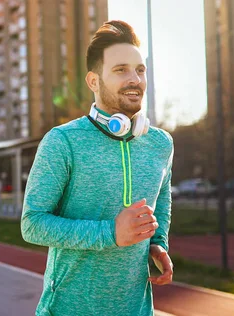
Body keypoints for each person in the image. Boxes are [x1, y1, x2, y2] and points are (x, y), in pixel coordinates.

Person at [20, 20, 174, 315]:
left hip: (137, 309)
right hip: (66, 309)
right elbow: (32, 224)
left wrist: (158, 243)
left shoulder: (160, 143)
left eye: (140, 70)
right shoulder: (63, 141)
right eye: (121, 70)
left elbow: (161, 202)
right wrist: (110, 233)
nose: (135, 79)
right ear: (93, 81)